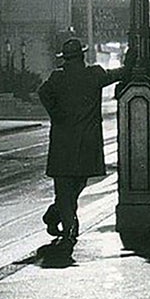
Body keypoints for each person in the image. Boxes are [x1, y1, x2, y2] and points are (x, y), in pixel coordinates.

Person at [37, 37, 128, 245]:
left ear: (65, 59)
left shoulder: (57, 78)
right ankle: (69, 227)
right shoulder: (93, 75)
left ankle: (56, 216)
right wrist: (132, 61)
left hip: (62, 142)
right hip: (87, 143)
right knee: (78, 182)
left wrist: (56, 114)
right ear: (82, 56)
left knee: (63, 186)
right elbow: (117, 74)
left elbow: (42, 92)